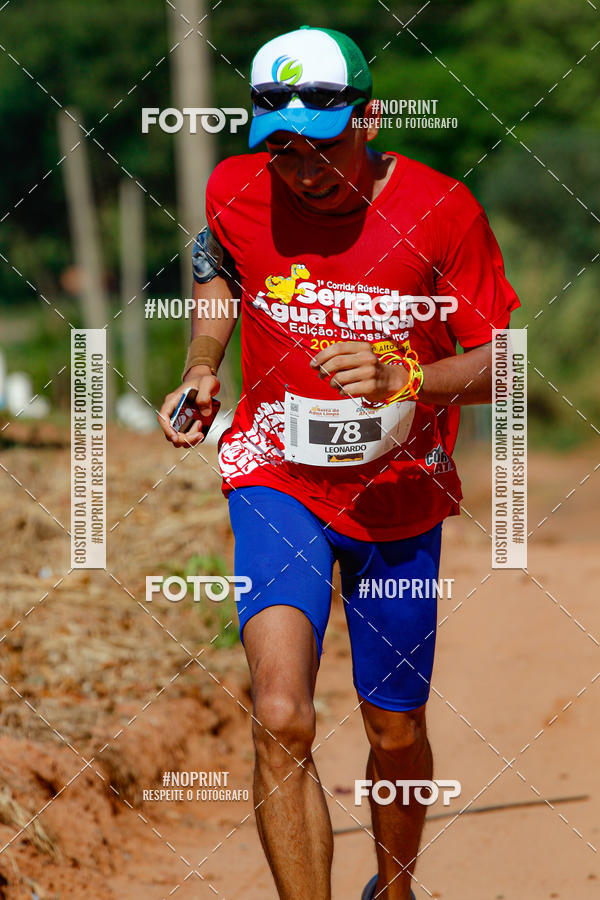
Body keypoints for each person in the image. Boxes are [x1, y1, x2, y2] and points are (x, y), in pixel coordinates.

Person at [159, 25, 520, 900]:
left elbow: (503, 362)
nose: (301, 169)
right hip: (276, 476)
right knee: (280, 714)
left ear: (369, 116)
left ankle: (393, 887)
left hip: (399, 497)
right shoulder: (233, 187)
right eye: (279, 147)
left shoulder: (442, 209)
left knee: (394, 731)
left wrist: (407, 374)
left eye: (320, 145)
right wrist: (205, 362)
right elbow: (219, 273)